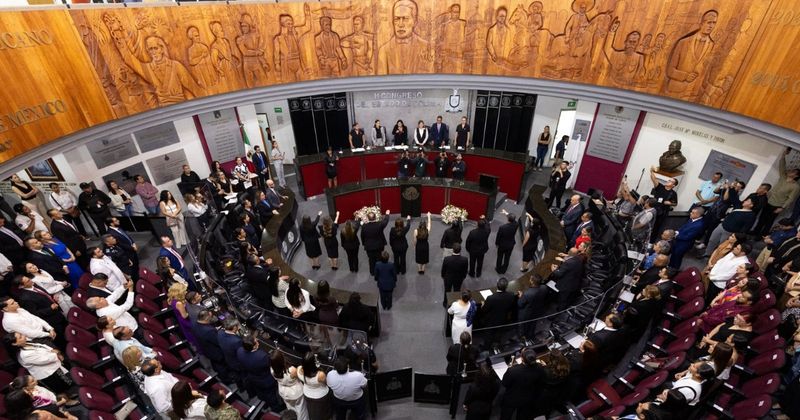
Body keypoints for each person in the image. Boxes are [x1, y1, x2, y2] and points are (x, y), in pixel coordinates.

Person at [3, 332, 71, 394]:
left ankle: (70, 396)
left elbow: (42, 346)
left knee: (65, 384)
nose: (23, 336)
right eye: (20, 337)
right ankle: (68, 401)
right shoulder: (24, 355)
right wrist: (57, 354)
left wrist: (52, 350)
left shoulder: (26, 343)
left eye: (21, 334)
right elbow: (44, 360)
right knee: (60, 389)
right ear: (14, 343)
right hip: (48, 374)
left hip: (53, 366)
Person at [756, 149, 800, 235]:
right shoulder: (783, 177)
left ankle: (762, 235)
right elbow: (782, 166)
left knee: (769, 221)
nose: (790, 171)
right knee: (761, 218)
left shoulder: (796, 186)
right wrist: (783, 156)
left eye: (793, 171)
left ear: (796, 175)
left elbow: (791, 199)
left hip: (777, 206)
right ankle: (755, 232)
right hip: (768, 202)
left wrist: (782, 208)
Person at [236, 335, 283, 412]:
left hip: (252, 377)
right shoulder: (262, 356)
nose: (258, 341)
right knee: (270, 395)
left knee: (260, 392)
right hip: (265, 380)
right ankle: (276, 408)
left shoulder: (240, 351)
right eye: (256, 341)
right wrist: (276, 352)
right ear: (254, 346)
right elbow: (271, 364)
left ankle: (265, 404)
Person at [500, 347, 545, 420]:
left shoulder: (513, 370)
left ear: (522, 359)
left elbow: (505, 383)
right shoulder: (540, 368)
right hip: (528, 398)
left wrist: (510, 369)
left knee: (506, 416)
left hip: (512, 398)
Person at [270, 350, 308, 420]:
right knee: (301, 409)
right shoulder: (291, 370)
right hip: (295, 392)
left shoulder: (272, 370)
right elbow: (299, 376)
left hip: (283, 391)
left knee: (290, 407)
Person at [191, 310, 229, 382]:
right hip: (216, 352)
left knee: (216, 364)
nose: (212, 318)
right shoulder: (209, 331)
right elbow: (218, 342)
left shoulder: (195, 324)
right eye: (211, 317)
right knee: (222, 366)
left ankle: (222, 376)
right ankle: (226, 380)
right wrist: (221, 333)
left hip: (206, 349)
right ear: (206, 318)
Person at [297, 352, 332, 420]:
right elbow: (326, 383)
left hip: (307, 393)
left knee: (312, 409)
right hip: (320, 395)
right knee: (323, 410)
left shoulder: (299, 370)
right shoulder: (320, 375)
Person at [649, 167, 679, 241]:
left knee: (656, 228)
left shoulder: (673, 193)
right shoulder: (660, 187)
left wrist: (669, 203)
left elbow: (675, 204)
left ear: (673, 185)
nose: (668, 181)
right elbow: (653, 178)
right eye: (669, 180)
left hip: (662, 213)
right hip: (653, 209)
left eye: (671, 181)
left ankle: (651, 242)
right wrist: (652, 170)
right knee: (648, 224)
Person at [167, 283, 200, 350]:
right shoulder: (179, 303)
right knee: (196, 336)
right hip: (186, 321)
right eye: (184, 291)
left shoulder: (174, 299)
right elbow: (185, 316)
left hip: (181, 319)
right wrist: (194, 312)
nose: (186, 292)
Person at [361, 209, 391, 275]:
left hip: (369, 246)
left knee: (371, 260)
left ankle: (372, 272)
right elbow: (385, 221)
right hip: (379, 245)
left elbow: (362, 236)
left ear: (368, 218)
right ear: (375, 217)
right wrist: (387, 214)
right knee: (379, 259)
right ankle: (379, 271)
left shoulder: (364, 227)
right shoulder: (380, 224)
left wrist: (364, 244)